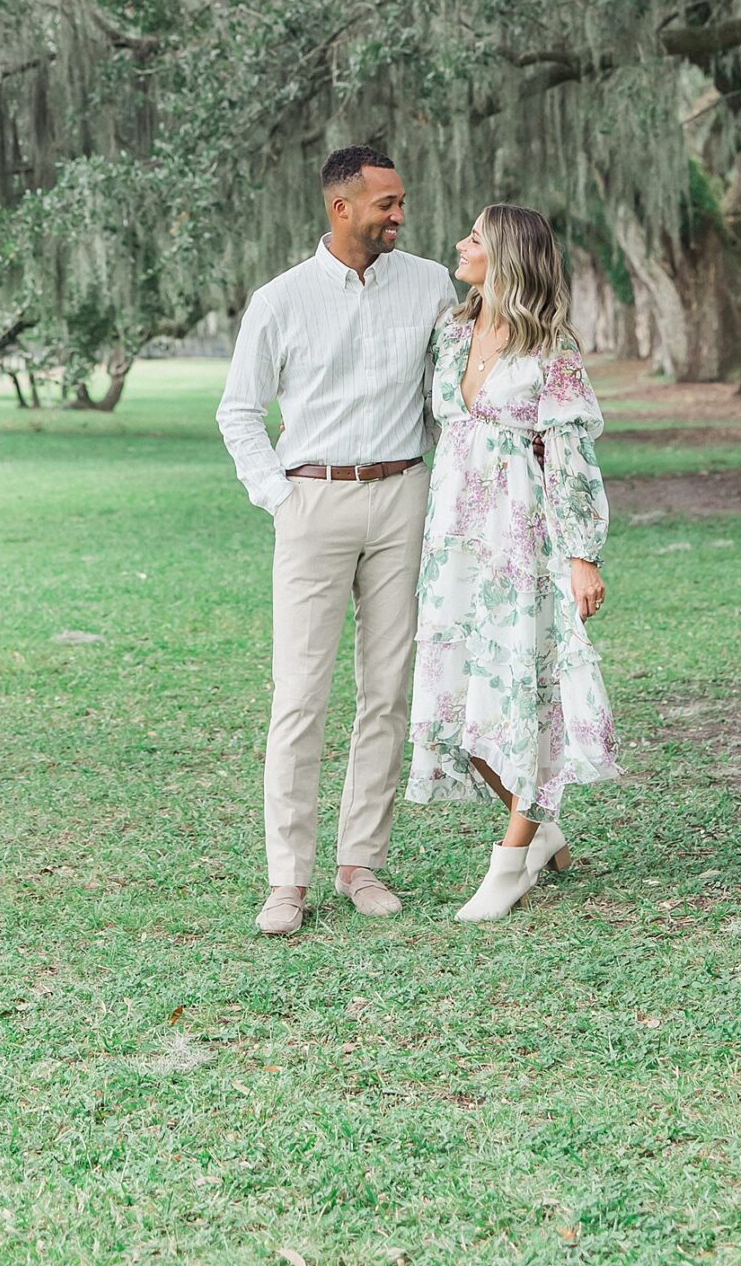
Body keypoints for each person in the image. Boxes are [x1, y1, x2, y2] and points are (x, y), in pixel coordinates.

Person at [217, 144, 456, 938]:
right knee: (299, 697)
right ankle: (286, 880)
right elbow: (239, 411)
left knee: (386, 691)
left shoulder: (429, 283)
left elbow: (443, 393)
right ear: (340, 207)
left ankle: (361, 863)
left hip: (401, 497)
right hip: (311, 502)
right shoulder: (279, 299)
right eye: (385, 203)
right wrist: (279, 499)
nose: (399, 214)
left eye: (400, 201)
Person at [407, 202, 619, 920]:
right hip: (453, 539)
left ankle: (508, 864)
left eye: (472, 237)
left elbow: (569, 458)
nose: (459, 245)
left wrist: (581, 555)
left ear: (504, 254)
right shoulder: (452, 330)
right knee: (455, 706)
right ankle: (542, 827)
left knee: (520, 696)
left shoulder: (550, 349)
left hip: (520, 540)